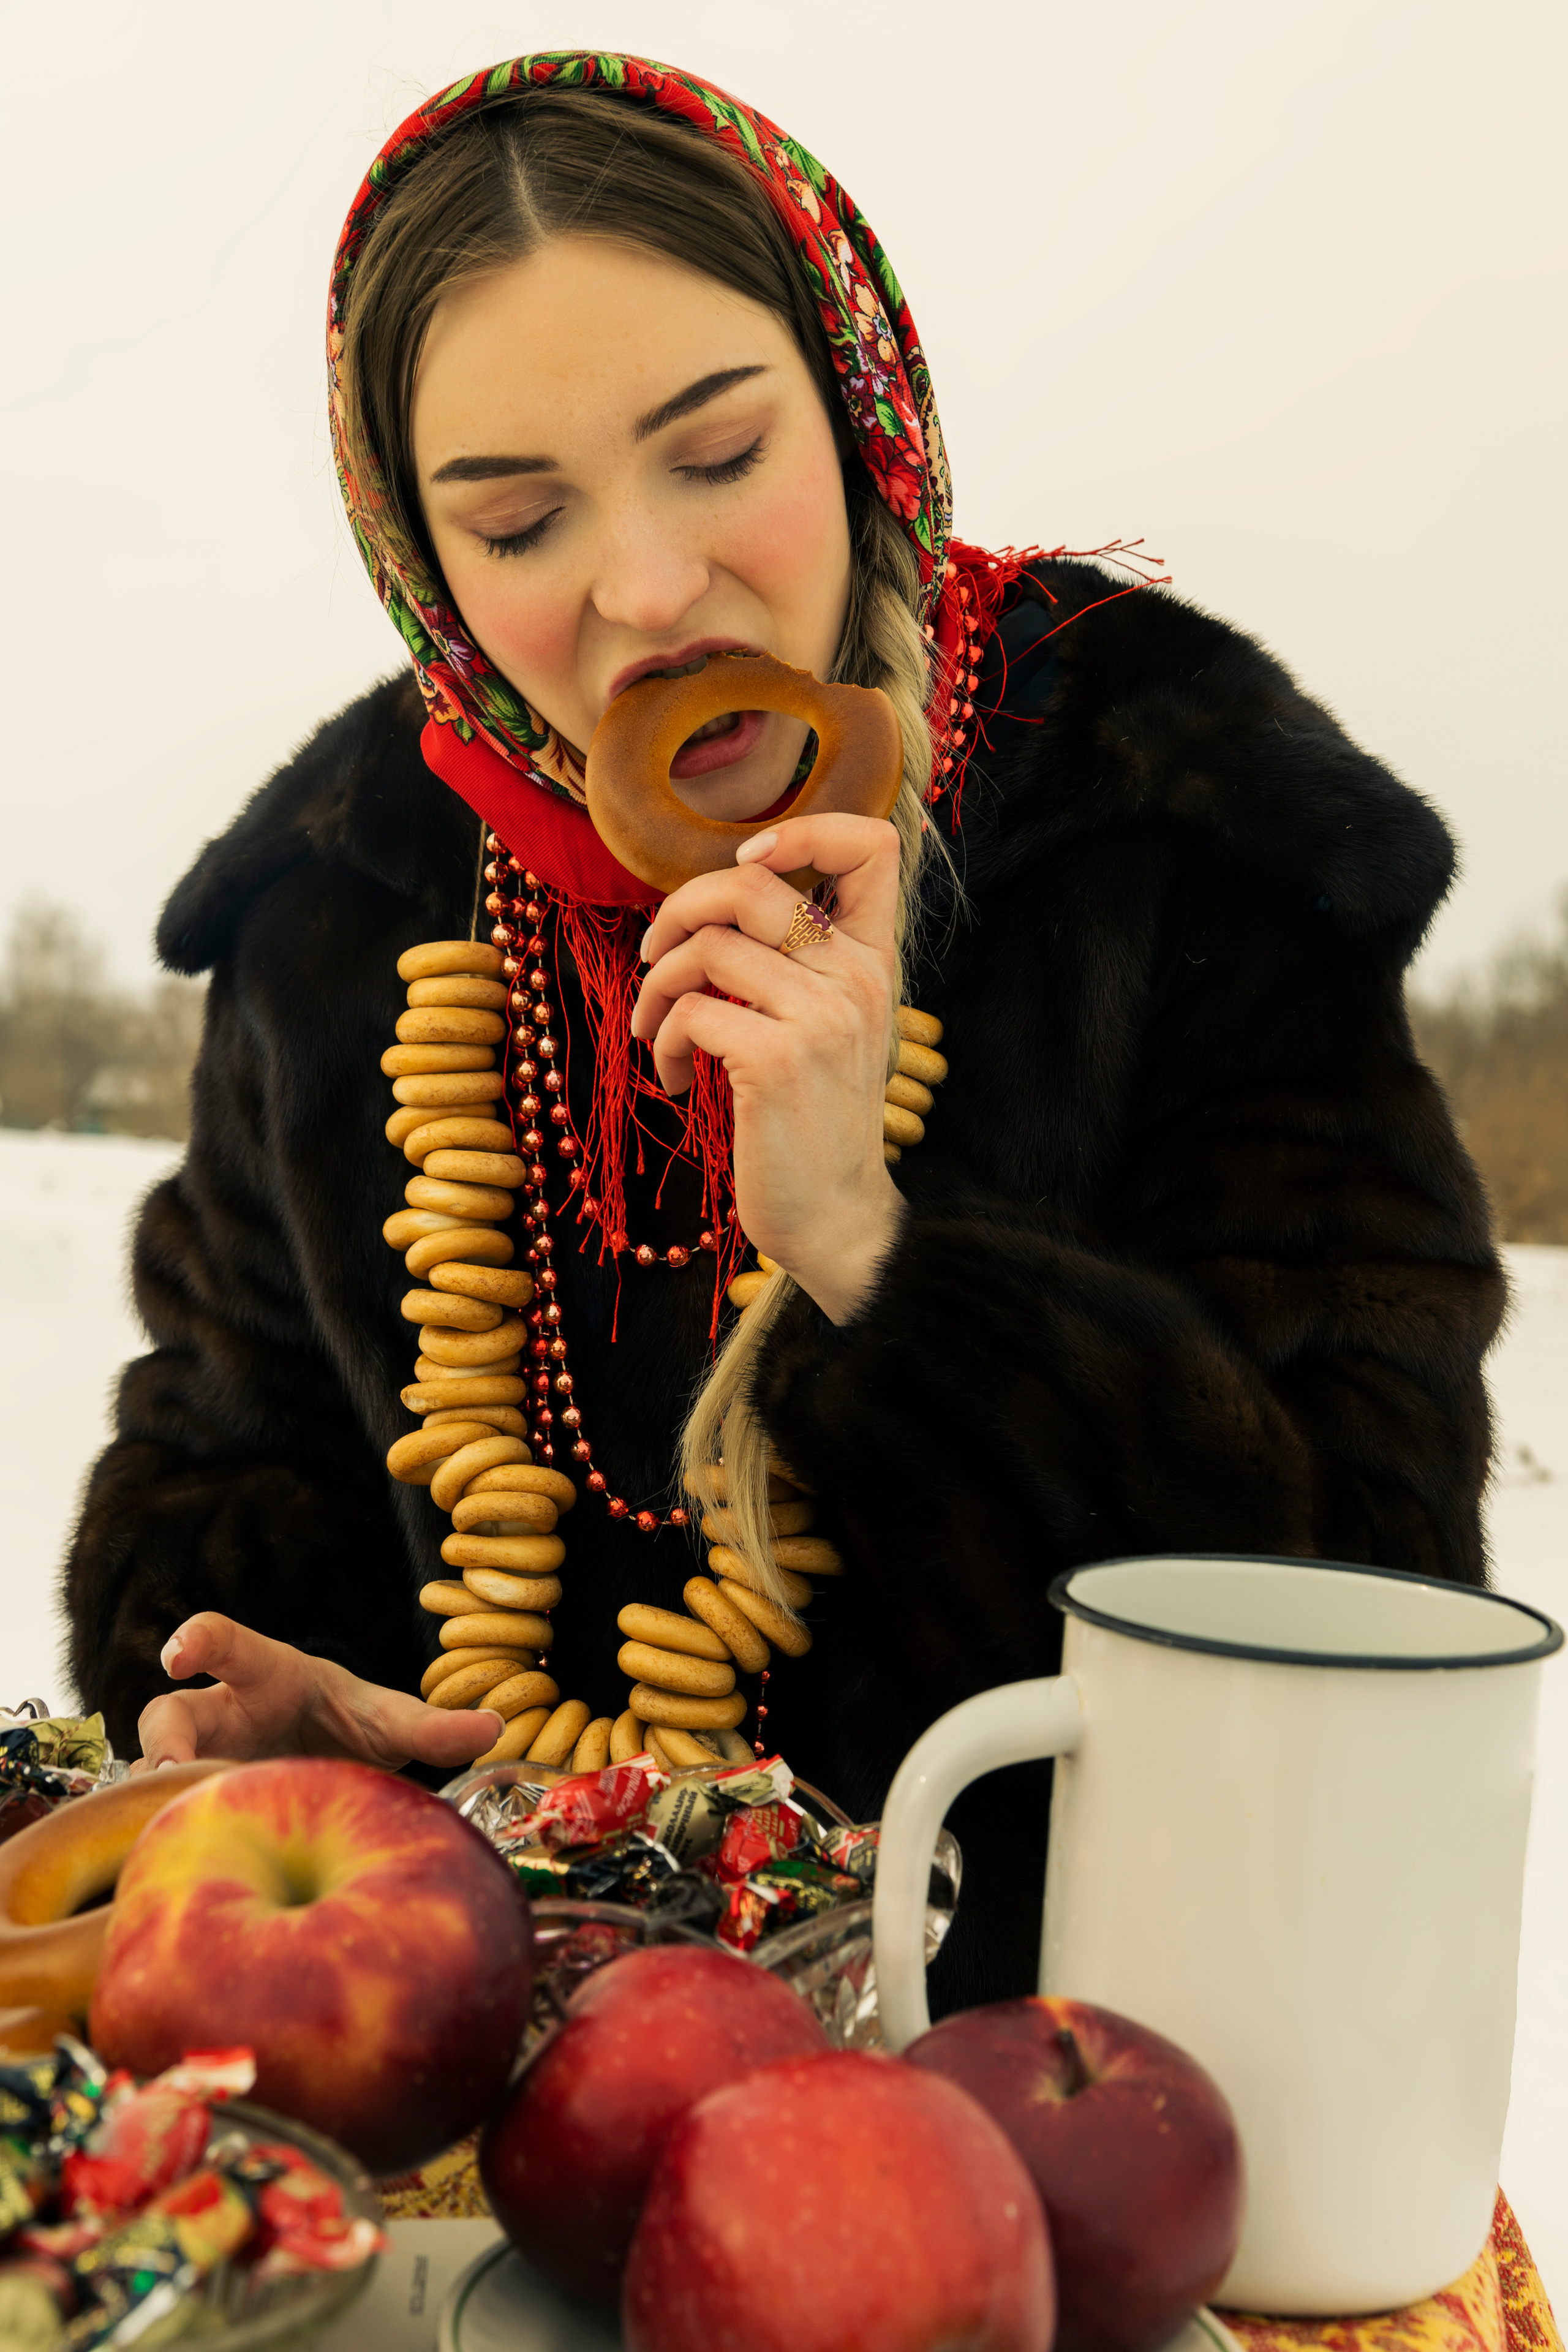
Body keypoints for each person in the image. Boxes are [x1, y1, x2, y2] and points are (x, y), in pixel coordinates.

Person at [63, 54, 1502, 2007]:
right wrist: (278, 1722)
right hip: (470, 2050)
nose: (653, 592)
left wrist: (877, 1257)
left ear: (859, 409)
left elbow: (1368, 1630)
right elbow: (209, 1479)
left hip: (1041, 2079)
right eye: (519, 521)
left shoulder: (1171, 835)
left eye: (722, 454)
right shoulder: (347, 907)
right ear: (422, 565)